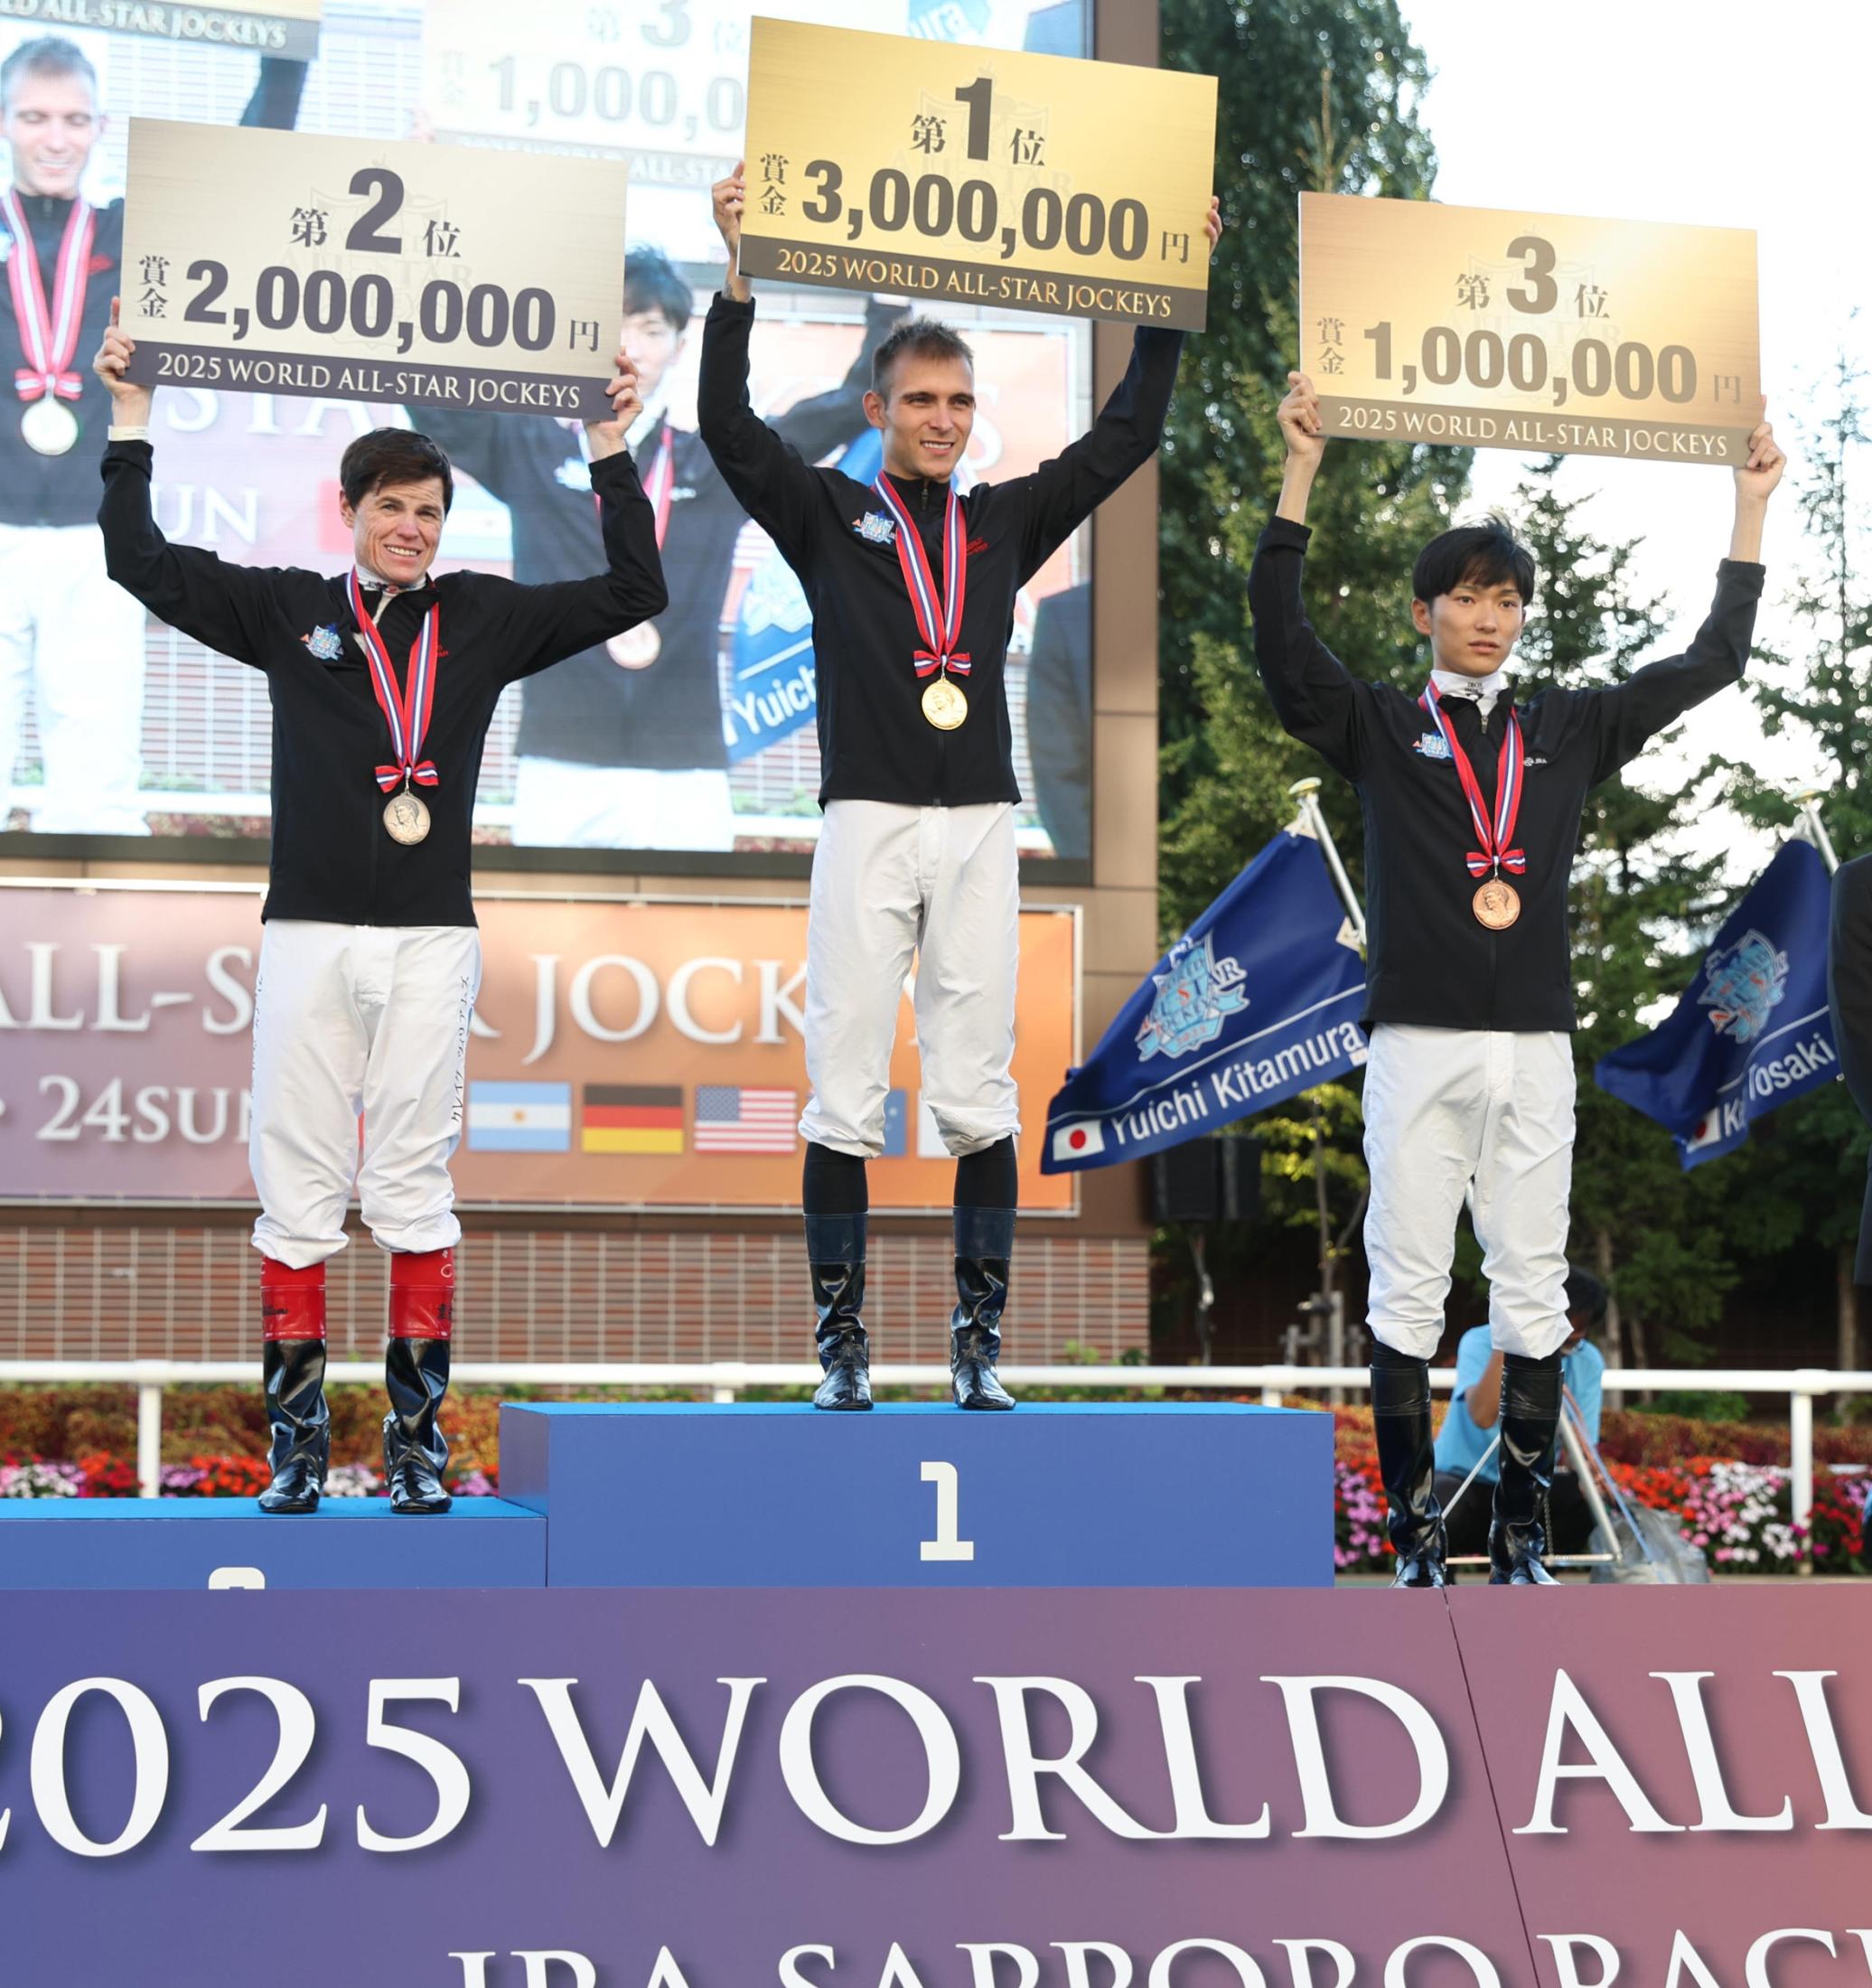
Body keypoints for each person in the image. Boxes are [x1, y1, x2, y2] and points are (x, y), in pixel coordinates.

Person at [93, 302, 667, 1513]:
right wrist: (133, 415)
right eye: (391, 507)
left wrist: (607, 443)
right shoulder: (287, 611)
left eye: (429, 512)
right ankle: (298, 1452)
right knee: (297, 1183)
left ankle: (414, 1448)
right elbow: (138, 561)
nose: (410, 528)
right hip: (306, 933)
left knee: (411, 1183)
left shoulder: (484, 618)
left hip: (430, 939)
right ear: (348, 509)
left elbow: (634, 586)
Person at [699, 159, 1221, 1412]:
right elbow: (728, 429)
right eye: (920, 399)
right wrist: (736, 273)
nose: (941, 418)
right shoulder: (827, 515)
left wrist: (1171, 297)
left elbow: (1126, 436)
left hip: (983, 827)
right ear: (877, 408)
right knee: (842, 1090)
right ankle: (842, 1351)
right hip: (865, 822)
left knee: (981, 1093)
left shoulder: (1002, 522)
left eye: (958, 401)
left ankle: (977, 1349)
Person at [1253, 369, 1783, 1585]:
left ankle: (1525, 1544)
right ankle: (1416, 1543)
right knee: (1407, 1287)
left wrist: (1748, 507)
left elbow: (1713, 658)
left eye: (1505, 600)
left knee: (1534, 1292)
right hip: (1416, 1040)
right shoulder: (1379, 725)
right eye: (1465, 597)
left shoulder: (1568, 729)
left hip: (1535, 1044)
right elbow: (1282, 647)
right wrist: (1300, 472)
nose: (1487, 618)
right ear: (1422, 611)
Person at [417, 249, 903, 851]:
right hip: (561, 761)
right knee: (554, 913)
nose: (633, 349)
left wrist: (889, 306)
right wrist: (425, 264)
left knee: (697, 911)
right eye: (614, 328)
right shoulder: (531, 449)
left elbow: (847, 407)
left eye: (651, 331)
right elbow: (431, 400)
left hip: (685, 768)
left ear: (678, 347)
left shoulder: (716, 463)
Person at [0, 37, 303, 835]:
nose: (55, 138)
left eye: (74, 119)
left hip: (94, 538)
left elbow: (243, 176)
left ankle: (85, 914)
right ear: (4, 123)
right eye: (35, 117)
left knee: (94, 787)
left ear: (101, 127)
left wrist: (288, 53)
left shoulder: (130, 234)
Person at [1434, 1265, 1607, 1565]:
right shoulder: (1480, 1341)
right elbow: (1483, 1416)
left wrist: (1592, 1481)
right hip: (1466, 1481)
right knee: (1440, 1502)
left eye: (1570, 1340)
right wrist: (1512, 1339)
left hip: (1527, 1487)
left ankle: (1535, 1578)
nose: (1560, 1345)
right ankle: (1436, 1584)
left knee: (1584, 1502)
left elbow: (1581, 1449)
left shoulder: (1586, 1359)